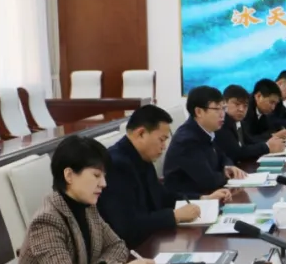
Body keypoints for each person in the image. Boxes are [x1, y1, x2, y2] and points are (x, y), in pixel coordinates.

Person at [7, 136, 156, 264]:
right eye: (96, 175)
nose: (104, 183)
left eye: (104, 176)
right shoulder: (47, 220)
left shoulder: (87, 207)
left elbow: (117, 245)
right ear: (69, 175)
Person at [98, 105, 230, 249]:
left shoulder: (140, 155)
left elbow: (162, 196)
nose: (164, 147)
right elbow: (127, 225)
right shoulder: (116, 165)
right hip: (130, 250)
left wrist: (204, 198)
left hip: (151, 240)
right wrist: (174, 216)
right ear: (141, 133)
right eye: (161, 140)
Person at [163, 86, 247, 198]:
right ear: (199, 112)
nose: (222, 114)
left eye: (223, 108)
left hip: (207, 194)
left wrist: (228, 166)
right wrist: (227, 174)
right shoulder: (187, 140)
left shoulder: (206, 130)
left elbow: (222, 155)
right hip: (189, 200)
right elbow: (209, 181)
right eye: (217, 109)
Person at [218, 84, 286, 162]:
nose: (241, 109)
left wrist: (272, 141)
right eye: (237, 104)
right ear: (224, 103)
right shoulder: (222, 123)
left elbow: (250, 141)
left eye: (245, 106)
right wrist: (267, 147)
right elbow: (236, 153)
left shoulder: (240, 122)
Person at [243, 79, 286, 144]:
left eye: (275, 104)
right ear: (258, 96)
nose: (273, 108)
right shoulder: (245, 110)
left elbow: (268, 130)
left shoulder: (263, 111)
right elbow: (247, 140)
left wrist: (280, 131)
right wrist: (273, 136)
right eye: (271, 102)